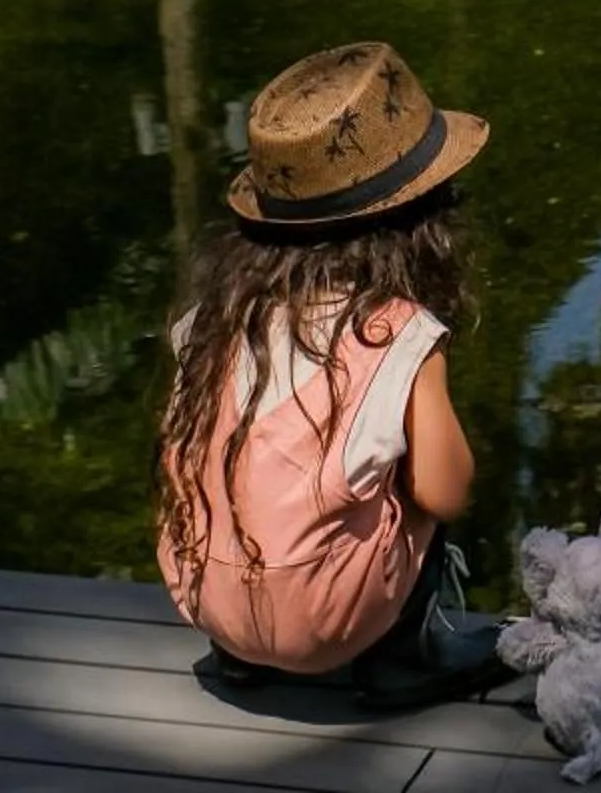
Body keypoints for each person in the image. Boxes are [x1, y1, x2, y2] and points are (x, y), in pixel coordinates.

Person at [155, 41, 504, 708]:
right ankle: (407, 658)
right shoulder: (395, 333)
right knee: (416, 474)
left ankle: (239, 659)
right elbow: (449, 492)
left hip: (205, 599)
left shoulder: (208, 321)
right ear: (419, 219)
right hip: (326, 624)